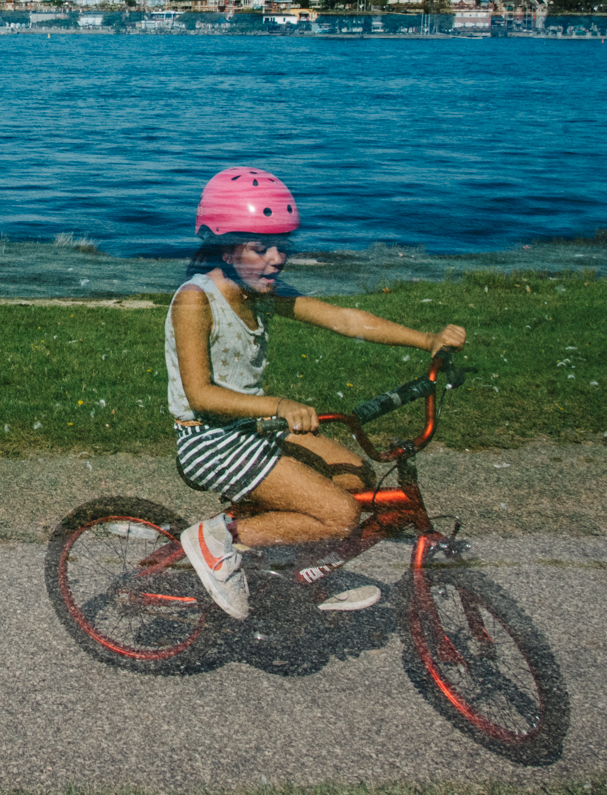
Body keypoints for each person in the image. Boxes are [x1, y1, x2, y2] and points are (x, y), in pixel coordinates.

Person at [168, 168, 464, 621]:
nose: (276, 259)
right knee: (340, 516)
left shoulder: (259, 293)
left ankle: (286, 577)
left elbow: (343, 318)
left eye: (282, 247)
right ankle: (217, 539)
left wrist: (427, 340)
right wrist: (280, 406)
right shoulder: (196, 300)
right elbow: (202, 394)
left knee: (354, 477)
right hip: (210, 440)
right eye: (259, 247)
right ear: (224, 247)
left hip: (252, 429)